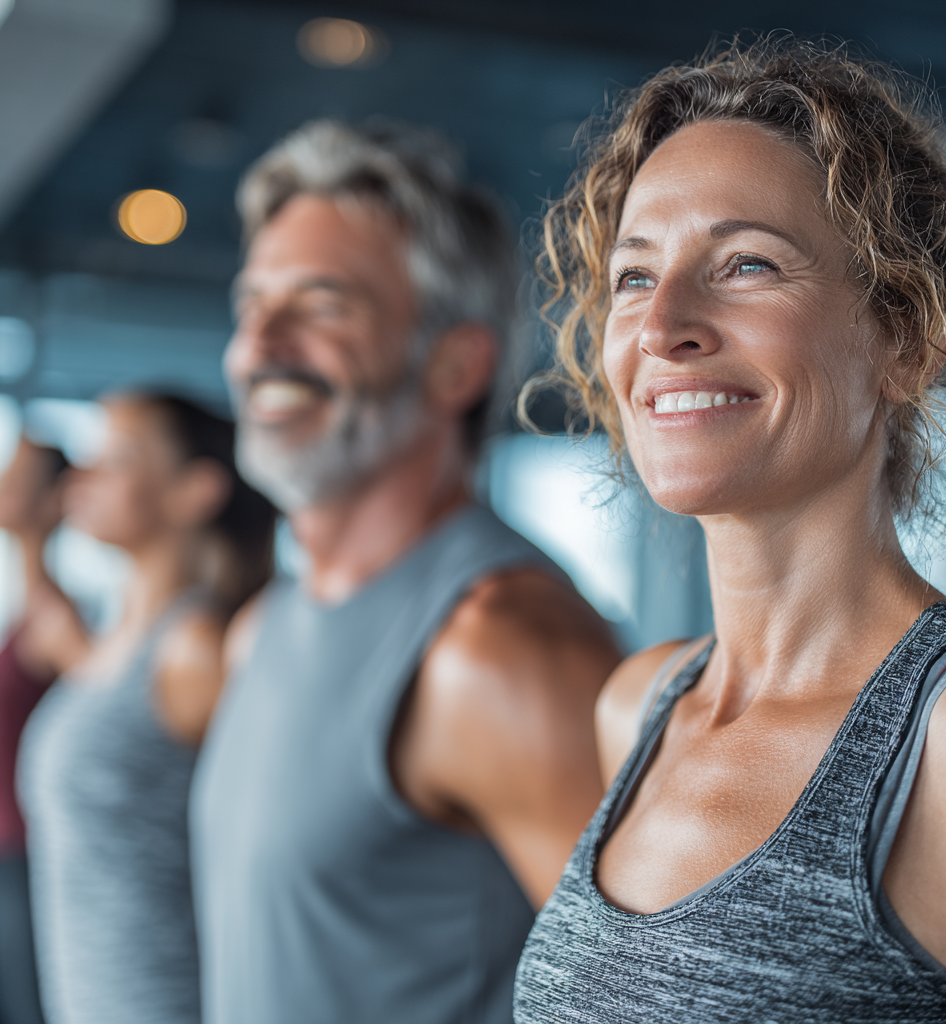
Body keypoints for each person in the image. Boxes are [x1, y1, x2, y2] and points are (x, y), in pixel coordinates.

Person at [514, 38, 946, 1022]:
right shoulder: (638, 708)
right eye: (633, 276)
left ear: (903, 337)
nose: (662, 324)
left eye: (746, 263)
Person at [189, 121, 622, 1024]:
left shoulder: (499, 647)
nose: (260, 343)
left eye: (322, 305)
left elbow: (650, 1000)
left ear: (456, 364)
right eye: (251, 304)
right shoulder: (260, 627)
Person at [18, 394, 277, 1024]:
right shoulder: (116, 643)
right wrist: (28, 539)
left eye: (117, 458)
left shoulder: (194, 650)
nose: (83, 473)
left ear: (195, 491)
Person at [0, 437, 85, 1024]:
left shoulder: (56, 617)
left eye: (17, 477)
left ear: (54, 499)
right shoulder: (25, 610)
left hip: (28, 858)